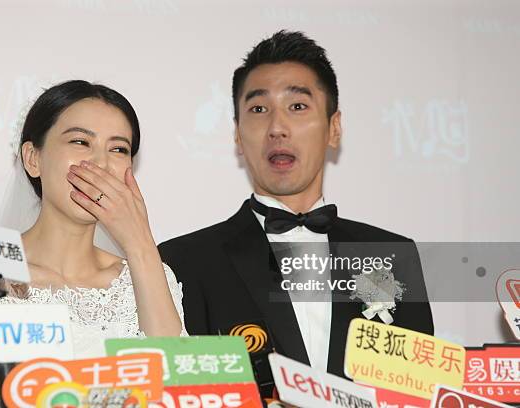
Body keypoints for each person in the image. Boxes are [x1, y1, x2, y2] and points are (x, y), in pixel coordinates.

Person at [158, 31, 433, 389]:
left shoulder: (392, 255)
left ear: (334, 129)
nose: (277, 128)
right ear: (238, 136)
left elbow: (417, 388)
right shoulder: (183, 262)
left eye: (297, 106)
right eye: (258, 109)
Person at [0, 80, 186, 407]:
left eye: (119, 149)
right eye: (81, 142)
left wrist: (140, 245)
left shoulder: (152, 275)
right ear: (32, 158)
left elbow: (179, 385)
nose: (101, 164)